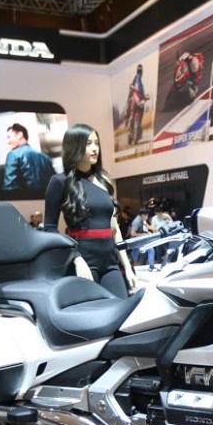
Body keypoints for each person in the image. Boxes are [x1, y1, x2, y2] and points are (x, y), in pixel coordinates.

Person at [43, 124, 135, 298]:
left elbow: (114, 227)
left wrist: (128, 267)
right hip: (83, 263)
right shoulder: (60, 182)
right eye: (88, 143)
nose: (95, 149)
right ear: (75, 146)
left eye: (96, 143)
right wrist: (75, 258)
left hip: (111, 264)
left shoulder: (104, 180)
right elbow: (49, 228)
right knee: (93, 313)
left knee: (122, 309)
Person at [4, 123, 54, 191]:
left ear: (19, 135)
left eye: (9, 137)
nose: (7, 142)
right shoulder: (45, 158)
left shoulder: (13, 155)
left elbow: (10, 187)